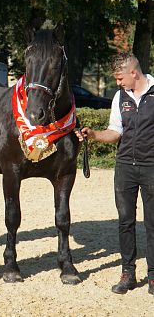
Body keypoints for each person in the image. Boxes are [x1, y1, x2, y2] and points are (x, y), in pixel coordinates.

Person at [75, 52, 154, 295]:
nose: (118, 83)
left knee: (153, 223)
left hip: (152, 168)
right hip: (124, 168)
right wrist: (94, 135)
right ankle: (128, 273)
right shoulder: (120, 97)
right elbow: (115, 132)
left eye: (120, 78)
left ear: (134, 72)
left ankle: (153, 276)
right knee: (125, 222)